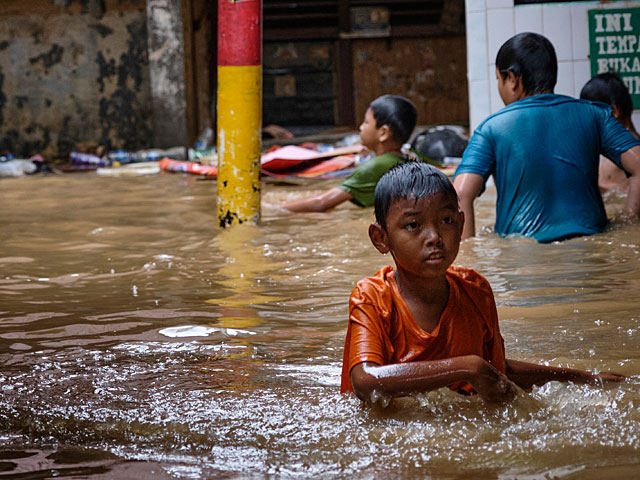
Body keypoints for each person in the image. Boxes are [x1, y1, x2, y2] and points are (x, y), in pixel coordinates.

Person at [341, 162, 625, 403]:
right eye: (413, 225)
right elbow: (366, 380)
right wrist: (466, 367)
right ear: (381, 238)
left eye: (446, 220)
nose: (435, 237)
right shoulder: (373, 296)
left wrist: (583, 378)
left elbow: (496, 373)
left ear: (461, 224)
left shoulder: (475, 290)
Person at [453, 32, 640, 243]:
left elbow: (459, 195)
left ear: (513, 79)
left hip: (523, 262)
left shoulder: (491, 129)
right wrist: (629, 220)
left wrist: (467, 264)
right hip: (591, 253)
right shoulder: (595, 115)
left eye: (499, 79)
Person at [280, 94, 417, 212]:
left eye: (366, 122)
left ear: (383, 133)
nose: (361, 127)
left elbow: (321, 203)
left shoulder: (375, 166)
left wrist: (275, 209)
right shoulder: (407, 157)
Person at [580, 72, 640, 194]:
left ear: (613, 112)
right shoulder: (615, 150)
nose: (587, 121)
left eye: (591, 114)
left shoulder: (627, 153)